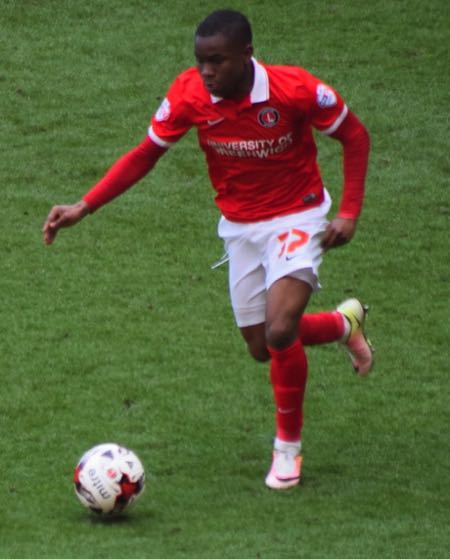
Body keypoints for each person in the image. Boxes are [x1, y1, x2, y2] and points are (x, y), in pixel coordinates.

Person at [43, 9, 373, 490]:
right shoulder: (190, 95)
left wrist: (348, 211)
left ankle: (287, 452)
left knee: (281, 331)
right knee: (262, 346)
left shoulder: (295, 90)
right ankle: (344, 324)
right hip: (240, 227)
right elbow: (145, 154)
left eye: (217, 61)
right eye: (200, 61)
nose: (207, 72)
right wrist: (84, 206)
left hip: (297, 215)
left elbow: (354, 135)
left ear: (246, 54)